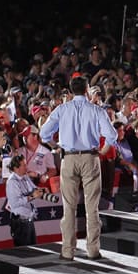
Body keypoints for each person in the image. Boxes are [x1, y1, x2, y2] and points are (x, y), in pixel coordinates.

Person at [39, 75, 117, 259]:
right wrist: (103, 151)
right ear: (87, 89)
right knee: (92, 208)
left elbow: (44, 133)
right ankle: (93, 250)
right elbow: (111, 135)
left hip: (69, 158)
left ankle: (67, 251)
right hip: (90, 158)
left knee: (69, 207)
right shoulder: (96, 110)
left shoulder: (62, 109)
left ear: (71, 89)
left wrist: (55, 146)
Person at [5, 154, 45, 247]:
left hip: (29, 220)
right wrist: (31, 196)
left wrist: (41, 190)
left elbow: (34, 189)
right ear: (16, 168)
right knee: (24, 252)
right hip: (20, 223)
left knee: (34, 250)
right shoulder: (12, 181)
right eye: (23, 165)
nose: (26, 167)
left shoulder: (25, 177)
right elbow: (14, 203)